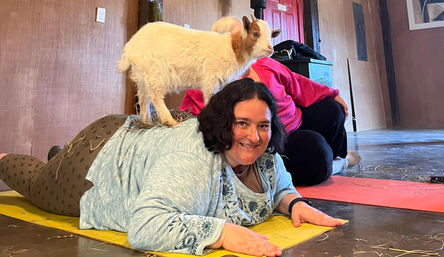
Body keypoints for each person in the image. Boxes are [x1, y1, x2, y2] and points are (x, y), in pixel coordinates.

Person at [0, 78, 341, 257]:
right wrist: (222, 234)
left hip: (145, 144)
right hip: (99, 161)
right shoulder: (194, 161)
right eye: (241, 124)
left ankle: (58, 153)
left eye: (263, 126)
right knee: (36, 185)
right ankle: (36, 160)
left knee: (56, 162)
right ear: (223, 123)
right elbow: (145, 227)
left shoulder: (266, 154)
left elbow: (279, 181)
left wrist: (294, 203)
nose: (254, 136)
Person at [180, 17, 360, 186]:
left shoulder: (264, 63)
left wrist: (332, 93)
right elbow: (192, 120)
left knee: (331, 109)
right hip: (269, 143)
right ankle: (336, 165)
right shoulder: (206, 80)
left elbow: (298, 83)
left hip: (295, 123)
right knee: (316, 152)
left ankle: (337, 158)